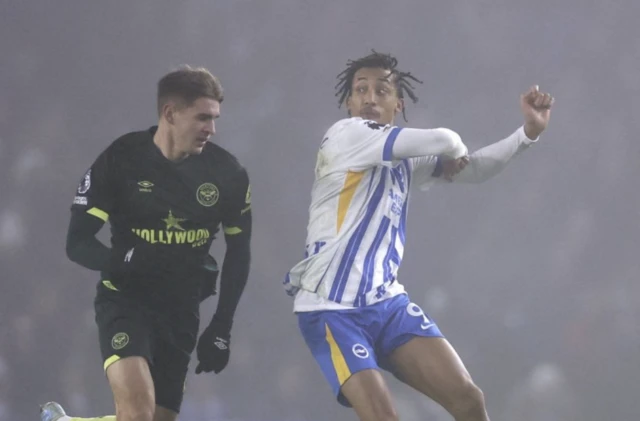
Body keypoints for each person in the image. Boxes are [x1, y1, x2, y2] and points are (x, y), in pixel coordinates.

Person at [284, 50, 554, 421]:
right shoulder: (345, 135)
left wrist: (527, 134)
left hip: (386, 303)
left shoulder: (406, 161)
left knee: (468, 400)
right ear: (349, 102)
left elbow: (473, 170)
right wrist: (454, 150)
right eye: (361, 89)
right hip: (331, 309)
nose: (370, 97)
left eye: (382, 91)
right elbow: (447, 140)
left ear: (398, 104)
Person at [41, 65, 252, 421]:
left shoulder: (227, 173)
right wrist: (125, 260)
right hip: (126, 301)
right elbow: (77, 242)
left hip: (182, 311)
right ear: (170, 113)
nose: (211, 130)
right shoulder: (122, 158)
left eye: (215, 119)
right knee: (138, 414)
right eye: (202, 117)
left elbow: (239, 251)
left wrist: (222, 327)